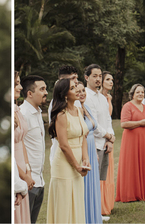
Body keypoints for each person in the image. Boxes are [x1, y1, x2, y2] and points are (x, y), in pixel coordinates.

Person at [46, 79, 91, 223]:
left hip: (78, 162)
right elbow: (64, 145)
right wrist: (76, 166)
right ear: (64, 94)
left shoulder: (79, 110)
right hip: (64, 165)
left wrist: (85, 159)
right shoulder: (61, 115)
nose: (77, 90)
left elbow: (83, 136)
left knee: (76, 203)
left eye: (75, 86)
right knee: (64, 205)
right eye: (72, 88)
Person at [82, 65, 115, 221]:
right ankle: (89, 213)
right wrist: (107, 135)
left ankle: (96, 212)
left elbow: (108, 120)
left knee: (99, 181)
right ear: (86, 77)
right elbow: (92, 123)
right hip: (92, 144)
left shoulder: (102, 98)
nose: (98, 79)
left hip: (104, 143)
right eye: (94, 76)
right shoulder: (85, 96)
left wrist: (110, 138)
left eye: (100, 76)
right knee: (90, 181)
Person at [19, 75, 49, 223]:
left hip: (40, 181)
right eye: (42, 89)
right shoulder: (22, 114)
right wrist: (26, 176)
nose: (46, 92)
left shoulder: (37, 112)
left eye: (46, 89)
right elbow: (18, 148)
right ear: (30, 93)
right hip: (28, 182)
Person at [116, 84, 145, 202]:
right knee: (131, 164)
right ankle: (130, 193)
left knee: (142, 163)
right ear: (132, 94)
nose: (140, 94)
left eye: (142, 92)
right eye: (138, 92)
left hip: (144, 140)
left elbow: (144, 121)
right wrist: (140, 123)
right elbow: (124, 124)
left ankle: (142, 192)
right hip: (131, 141)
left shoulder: (144, 107)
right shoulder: (127, 106)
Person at [13, 73, 32, 224]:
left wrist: (28, 170)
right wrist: (22, 178)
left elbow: (21, 141)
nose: (20, 87)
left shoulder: (17, 110)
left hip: (23, 168)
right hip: (16, 171)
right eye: (16, 84)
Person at [100, 72, 118, 216]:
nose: (111, 82)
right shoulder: (97, 98)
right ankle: (100, 205)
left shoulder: (108, 98)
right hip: (101, 138)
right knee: (101, 174)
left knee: (108, 172)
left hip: (108, 137)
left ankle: (107, 203)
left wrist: (111, 138)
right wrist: (107, 138)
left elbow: (108, 120)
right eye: (107, 79)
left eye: (112, 79)